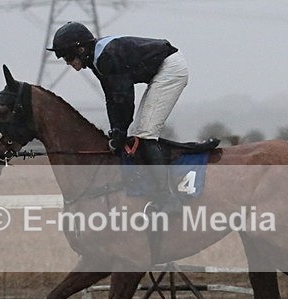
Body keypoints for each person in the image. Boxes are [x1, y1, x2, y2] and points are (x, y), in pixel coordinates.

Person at [47, 21, 188, 213]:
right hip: (162, 69)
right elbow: (111, 98)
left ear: (80, 49)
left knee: (145, 134)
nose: (67, 62)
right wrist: (116, 131)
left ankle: (169, 200)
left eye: (68, 57)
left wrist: (120, 132)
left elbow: (124, 98)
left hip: (171, 69)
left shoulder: (106, 57)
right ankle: (154, 191)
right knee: (139, 133)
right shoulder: (98, 60)